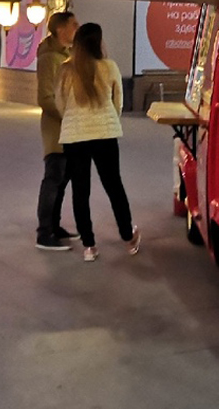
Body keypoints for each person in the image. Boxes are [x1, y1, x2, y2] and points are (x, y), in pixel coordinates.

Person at [56, 23, 139, 262]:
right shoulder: (109, 66)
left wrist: (71, 120)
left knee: (80, 190)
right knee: (114, 186)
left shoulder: (66, 69)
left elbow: (60, 103)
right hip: (104, 134)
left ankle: (89, 246)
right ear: (98, 42)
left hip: (74, 136)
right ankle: (128, 237)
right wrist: (110, 118)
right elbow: (118, 101)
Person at [35, 11, 80, 251]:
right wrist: (69, 116)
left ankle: (55, 225)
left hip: (71, 129)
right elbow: (45, 98)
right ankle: (44, 233)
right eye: (74, 24)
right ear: (61, 29)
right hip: (57, 131)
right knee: (53, 179)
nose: (77, 28)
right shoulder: (50, 58)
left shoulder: (67, 55)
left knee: (62, 180)